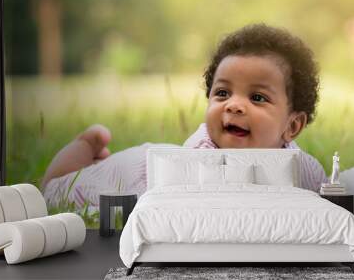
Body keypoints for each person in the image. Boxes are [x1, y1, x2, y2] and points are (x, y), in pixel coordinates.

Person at [42, 23, 328, 209]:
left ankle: (96, 155)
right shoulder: (198, 157)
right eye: (223, 94)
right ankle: (84, 148)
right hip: (135, 171)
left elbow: (320, 197)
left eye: (257, 98)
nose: (234, 106)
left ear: (292, 126)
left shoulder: (302, 166)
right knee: (59, 191)